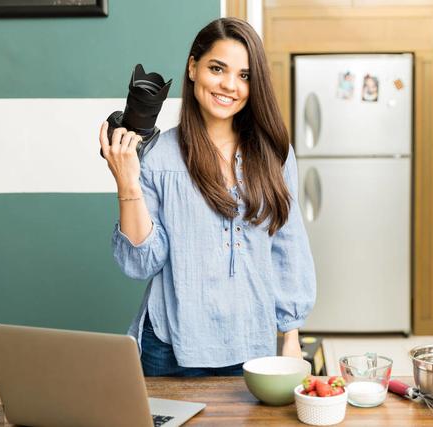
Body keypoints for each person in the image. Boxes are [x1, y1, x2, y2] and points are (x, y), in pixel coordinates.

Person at [99, 17, 316, 377]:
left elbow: (288, 246)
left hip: (252, 343)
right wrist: (127, 183)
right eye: (218, 68)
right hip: (170, 347)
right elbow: (142, 263)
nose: (230, 85)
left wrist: (291, 335)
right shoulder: (159, 156)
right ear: (193, 67)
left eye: (244, 76)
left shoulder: (275, 154)